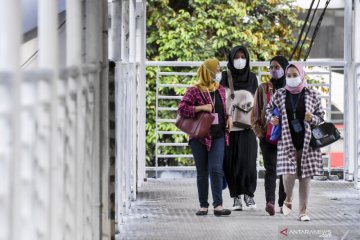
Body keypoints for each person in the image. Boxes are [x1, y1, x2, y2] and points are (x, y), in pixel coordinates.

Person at [265, 63, 325, 221]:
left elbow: (321, 116)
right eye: (289, 75)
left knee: (305, 177)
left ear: (301, 75)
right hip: (286, 141)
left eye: (294, 75)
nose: (292, 78)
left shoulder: (312, 94)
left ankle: (303, 211)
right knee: (288, 175)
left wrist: (313, 118)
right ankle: (288, 198)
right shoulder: (279, 94)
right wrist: (273, 119)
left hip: (307, 143)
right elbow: (268, 110)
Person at [178, 58, 233, 216]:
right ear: (208, 72)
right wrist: (201, 108)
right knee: (202, 171)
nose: (218, 72)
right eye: (216, 69)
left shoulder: (221, 89)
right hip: (199, 136)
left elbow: (223, 109)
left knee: (216, 169)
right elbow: (182, 109)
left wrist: (228, 117)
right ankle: (203, 205)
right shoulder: (194, 90)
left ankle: (218, 206)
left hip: (218, 135)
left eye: (219, 69)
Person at [220, 46, 258, 210]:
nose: (240, 60)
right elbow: (220, 99)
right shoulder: (223, 77)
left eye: (243, 56)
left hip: (248, 127)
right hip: (229, 127)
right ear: (231, 58)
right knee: (230, 163)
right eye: (237, 56)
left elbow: (257, 102)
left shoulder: (252, 78)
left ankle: (249, 195)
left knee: (248, 163)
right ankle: (235, 197)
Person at [252, 56, 288, 215]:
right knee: (270, 169)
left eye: (277, 66)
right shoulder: (262, 88)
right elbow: (255, 113)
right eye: (271, 67)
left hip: (287, 137)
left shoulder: (291, 88)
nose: (274, 70)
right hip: (267, 137)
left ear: (285, 69)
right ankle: (270, 202)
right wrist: (260, 133)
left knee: (285, 171)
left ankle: (283, 203)